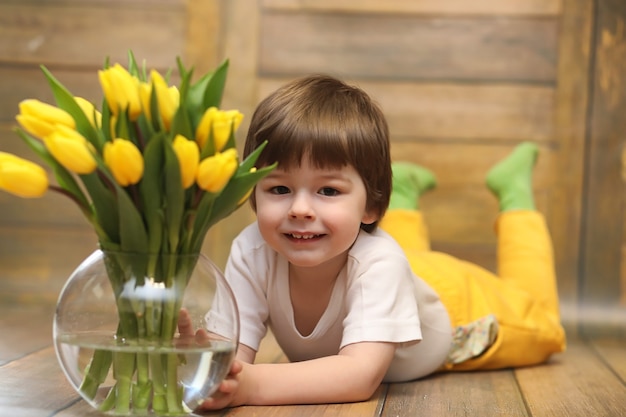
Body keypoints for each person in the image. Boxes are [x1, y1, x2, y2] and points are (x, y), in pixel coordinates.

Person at [198, 75, 566, 410]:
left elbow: (359, 376)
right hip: (388, 266)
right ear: (253, 193)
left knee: (544, 325)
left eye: (328, 190)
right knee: (384, 252)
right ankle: (402, 192)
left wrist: (249, 386)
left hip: (458, 307)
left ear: (373, 205)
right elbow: (231, 363)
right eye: (279, 188)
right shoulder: (251, 251)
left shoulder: (382, 261)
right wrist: (205, 362)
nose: (300, 209)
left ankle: (516, 199)